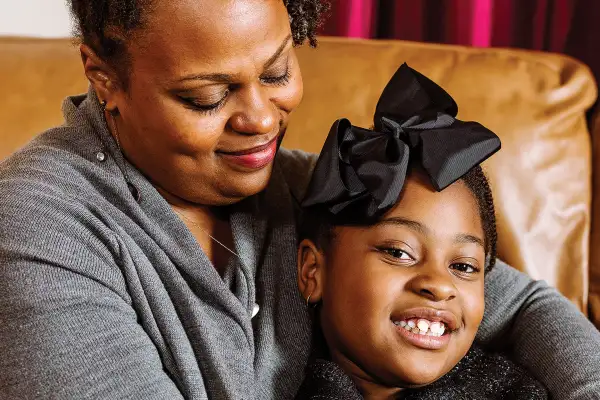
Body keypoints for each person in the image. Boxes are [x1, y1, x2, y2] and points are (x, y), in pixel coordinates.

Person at [0, 1, 598, 399]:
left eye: (277, 70)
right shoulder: (37, 225)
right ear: (103, 75)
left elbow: (520, 306)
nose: (261, 119)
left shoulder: (312, 187)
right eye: (207, 96)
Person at [294, 64, 547, 399]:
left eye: (464, 267)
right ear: (313, 271)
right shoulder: (260, 380)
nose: (440, 285)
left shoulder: (515, 393)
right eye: (398, 252)